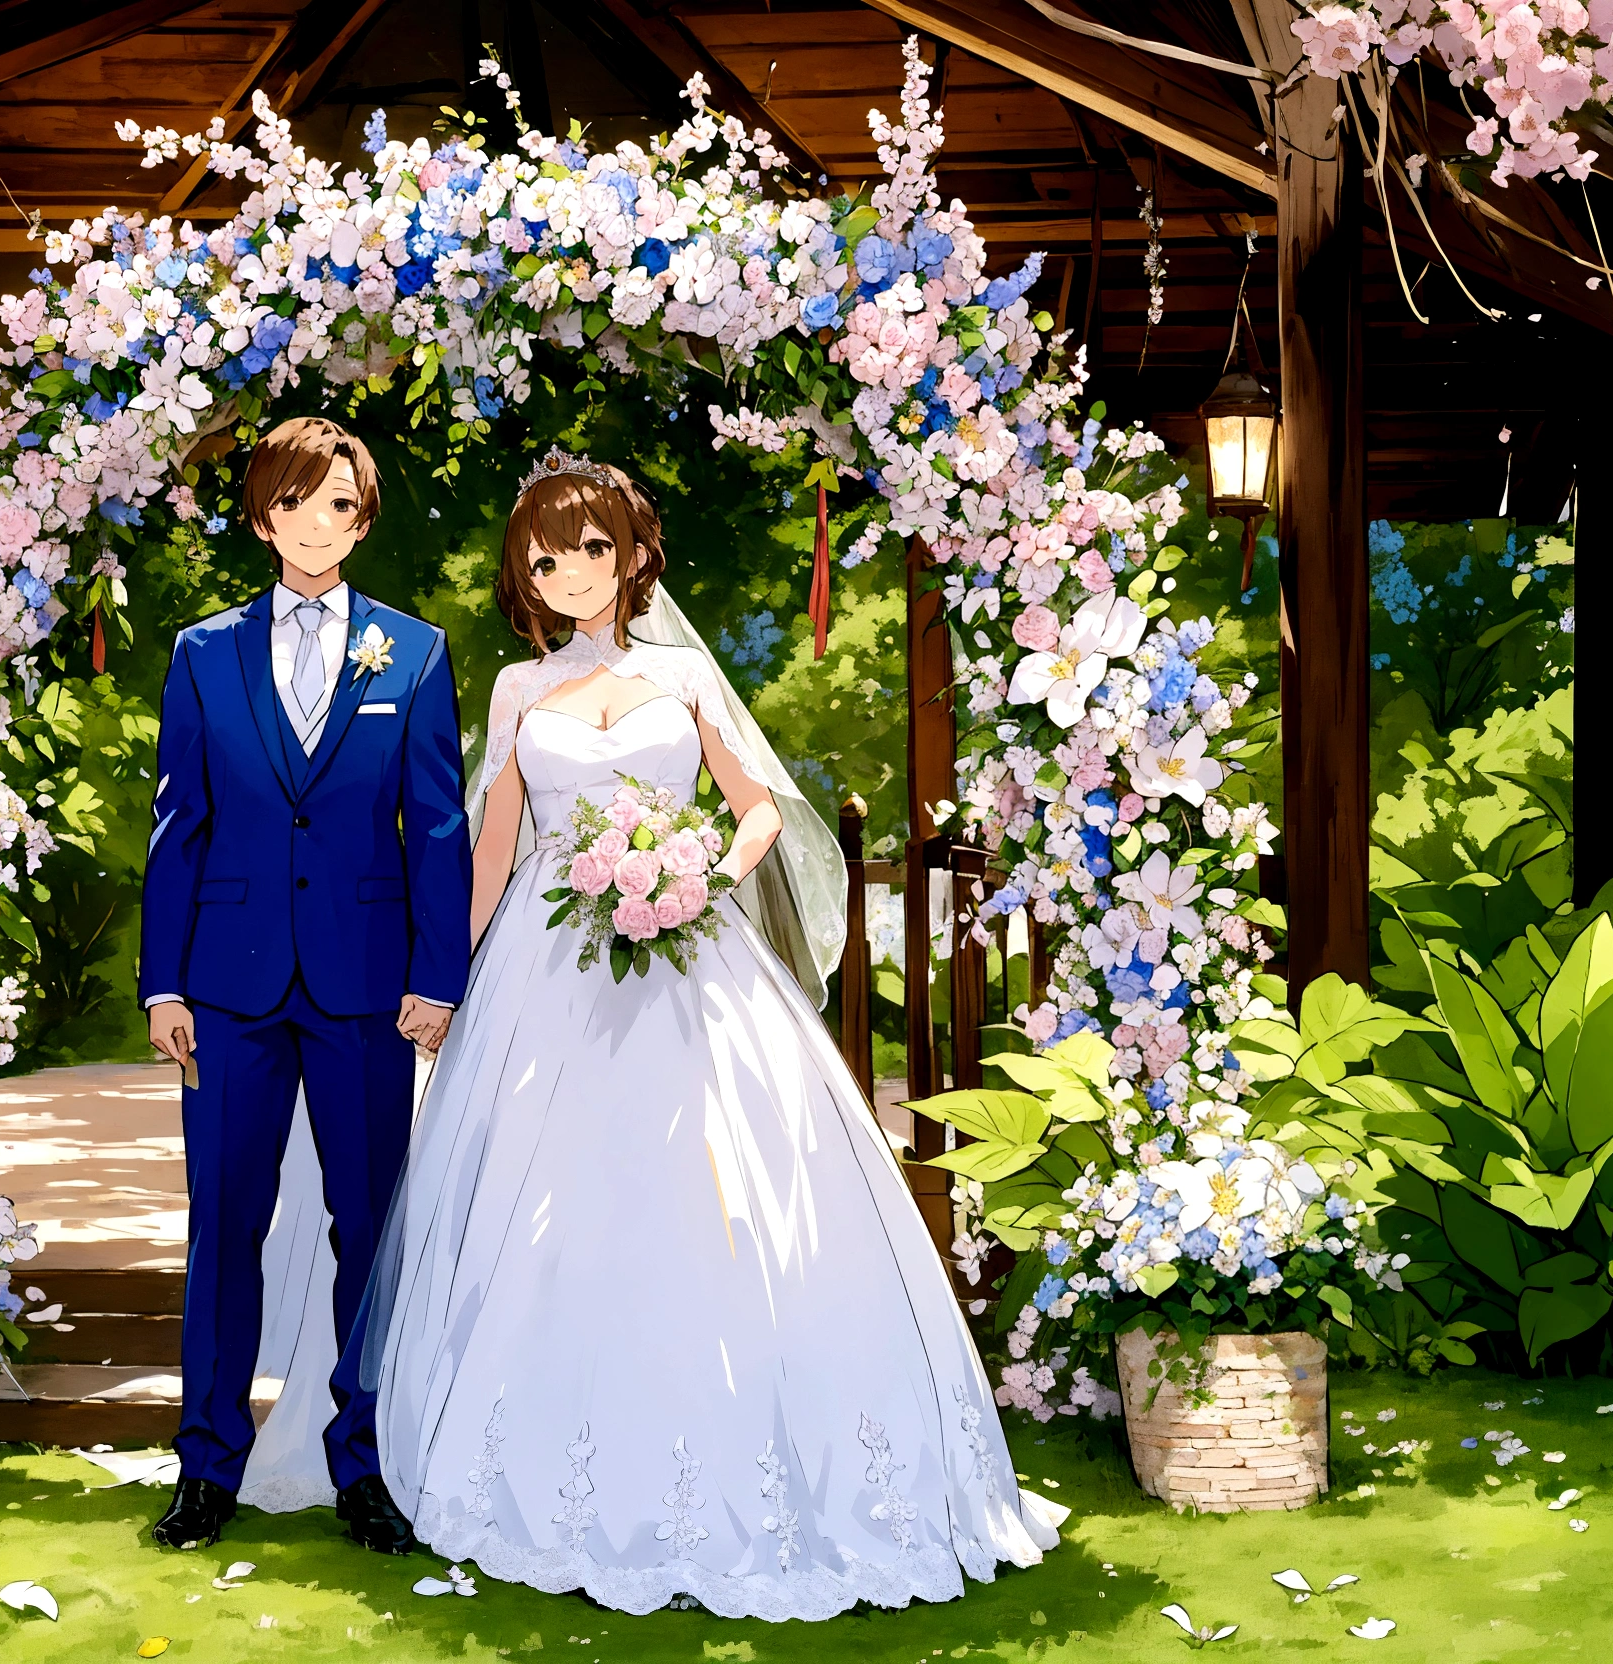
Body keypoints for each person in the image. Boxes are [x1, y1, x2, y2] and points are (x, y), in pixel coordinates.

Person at [246, 448, 1064, 1618]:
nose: (571, 570)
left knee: (725, 1186)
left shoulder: (681, 676)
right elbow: (490, 849)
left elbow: (755, 813)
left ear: (630, 556)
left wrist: (694, 876)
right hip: (548, 956)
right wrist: (442, 977)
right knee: (543, 1203)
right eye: (546, 555)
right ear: (524, 575)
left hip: (690, 951)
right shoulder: (517, 694)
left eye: (591, 547)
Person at [138, 415, 473, 1553]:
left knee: (367, 1227)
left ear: (362, 516)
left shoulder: (414, 653)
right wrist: (162, 984)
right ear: (261, 514)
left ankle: (366, 1465)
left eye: (337, 503)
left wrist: (437, 977)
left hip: (366, 989)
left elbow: (435, 828)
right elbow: (178, 824)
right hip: (224, 989)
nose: (314, 523)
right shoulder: (200, 652)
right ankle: (204, 1465)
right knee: (223, 1223)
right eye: (292, 502)